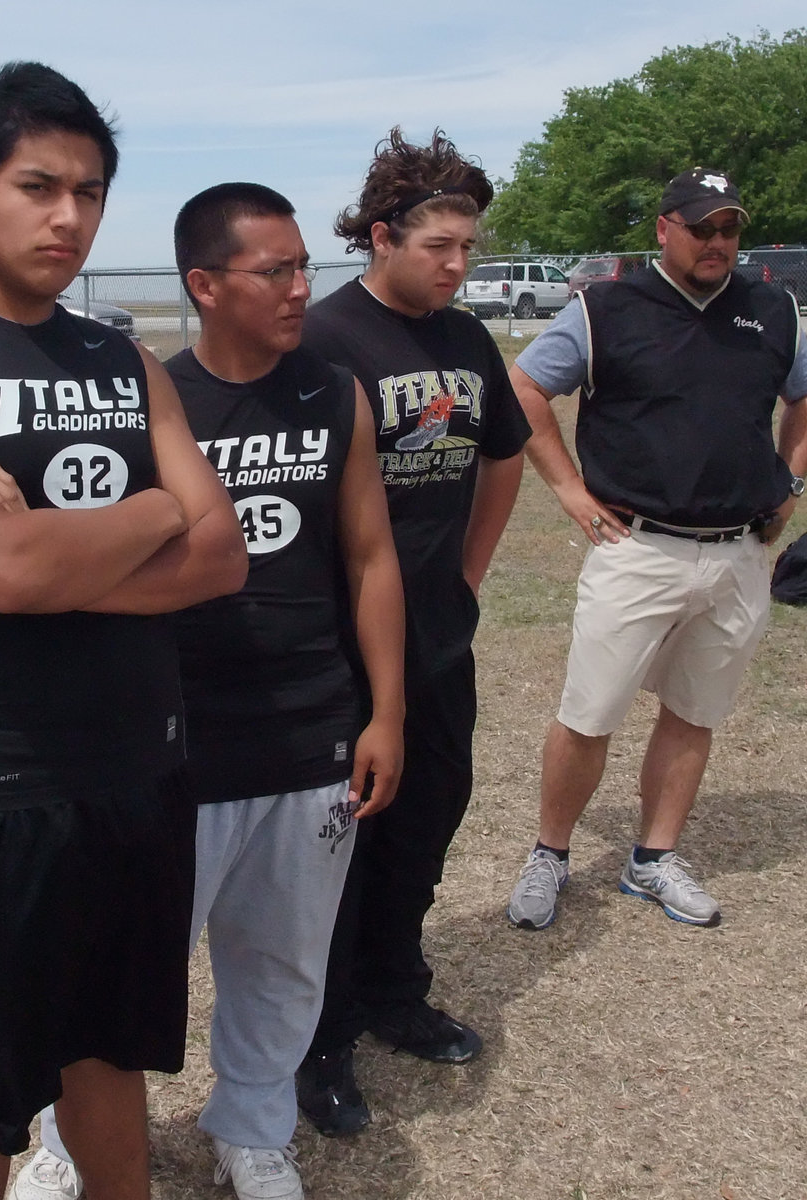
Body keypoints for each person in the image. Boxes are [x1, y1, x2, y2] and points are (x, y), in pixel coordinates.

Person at [0, 62, 246, 1200]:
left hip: (142, 776)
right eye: (36, 186)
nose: (67, 216)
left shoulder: (119, 358)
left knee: (109, 1059)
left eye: (89, 192)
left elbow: (221, 555)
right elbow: (2, 571)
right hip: (2, 796)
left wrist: (79, 539)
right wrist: (158, 508)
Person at [3, 183, 405, 1200]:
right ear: (204, 285)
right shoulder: (150, 402)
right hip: (165, 744)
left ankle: (254, 1129)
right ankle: (61, 1143)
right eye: (275, 270)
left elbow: (368, 559)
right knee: (113, 973)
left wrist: (386, 711)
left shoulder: (333, 392)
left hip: (308, 731)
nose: (300, 288)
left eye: (302, 265)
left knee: (280, 965)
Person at [295, 128, 532, 1136]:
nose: (457, 265)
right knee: (335, 849)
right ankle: (319, 1038)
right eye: (439, 246)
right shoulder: (325, 341)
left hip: (438, 643)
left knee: (427, 824)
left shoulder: (467, 340)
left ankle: (396, 993)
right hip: (336, 656)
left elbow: (503, 454)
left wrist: (468, 574)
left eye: (468, 248)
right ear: (381, 237)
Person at [506, 166, 807, 933]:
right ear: (663, 229)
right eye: (700, 226)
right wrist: (571, 490)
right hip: (637, 545)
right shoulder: (604, 308)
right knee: (590, 712)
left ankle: (652, 858)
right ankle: (551, 852)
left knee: (694, 710)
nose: (716, 242)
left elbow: (803, 400)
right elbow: (526, 390)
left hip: (738, 552)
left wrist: (788, 481)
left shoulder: (774, 310)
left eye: (729, 228)